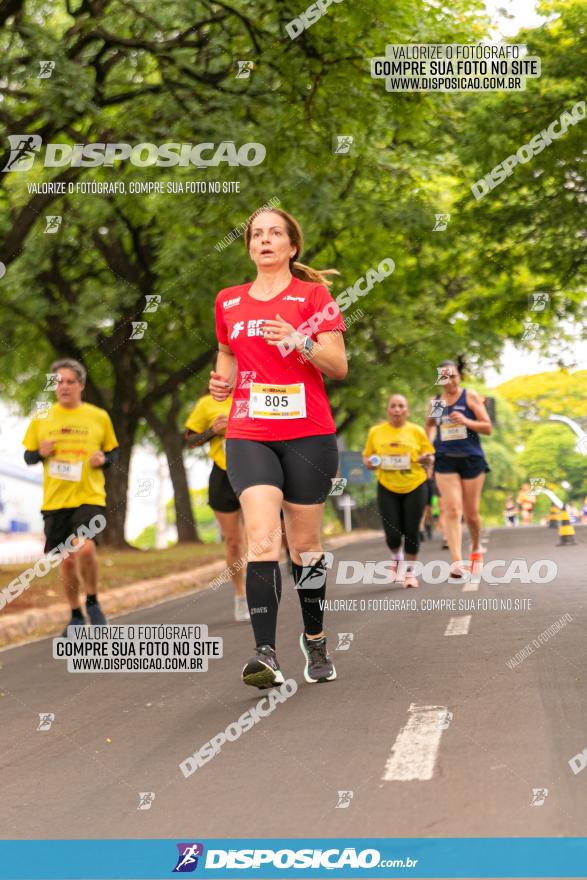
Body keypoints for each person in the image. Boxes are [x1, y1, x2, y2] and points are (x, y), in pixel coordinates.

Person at [209, 207, 347, 689]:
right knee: (262, 538)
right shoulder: (228, 302)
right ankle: (264, 653)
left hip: (308, 432)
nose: (264, 241)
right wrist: (222, 383)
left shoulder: (314, 296)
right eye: (256, 235)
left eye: (275, 234)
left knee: (306, 547)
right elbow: (227, 352)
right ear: (248, 246)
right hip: (249, 432)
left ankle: (315, 638)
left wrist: (297, 339)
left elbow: (338, 364)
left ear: (291, 246)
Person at [22, 359, 119, 633]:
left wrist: (105, 459)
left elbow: (114, 452)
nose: (64, 386)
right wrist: (40, 452)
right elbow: (28, 456)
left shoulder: (98, 416)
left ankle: (92, 601)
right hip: (55, 500)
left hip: (89, 495)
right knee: (65, 559)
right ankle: (75, 615)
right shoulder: (42, 416)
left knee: (84, 546)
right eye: (59, 382)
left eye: (70, 381)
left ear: (81, 385)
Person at [184, 393, 249, 622]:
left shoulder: (258, 391)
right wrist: (212, 431)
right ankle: (241, 595)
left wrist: (234, 428)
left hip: (254, 469)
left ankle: (261, 593)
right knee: (234, 542)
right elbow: (190, 440)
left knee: (258, 538)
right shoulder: (206, 402)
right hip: (223, 475)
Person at [426, 359, 491, 580]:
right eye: (445, 376)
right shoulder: (436, 402)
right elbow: (431, 426)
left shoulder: (470, 396)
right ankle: (456, 561)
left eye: (453, 375)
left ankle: (475, 548)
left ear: (459, 376)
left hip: (471, 458)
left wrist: (466, 421)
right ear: (439, 379)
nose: (450, 380)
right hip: (445, 459)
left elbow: (487, 427)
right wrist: (428, 450)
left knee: (472, 515)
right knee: (452, 510)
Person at [363, 394, 435, 588]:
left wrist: (426, 459)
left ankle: (410, 573)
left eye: (401, 406)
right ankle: (397, 558)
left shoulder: (416, 431)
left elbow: (429, 455)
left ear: (407, 411)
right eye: (393, 406)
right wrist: (369, 463)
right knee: (392, 534)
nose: (397, 409)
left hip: (415, 485)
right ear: (388, 410)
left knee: (412, 530)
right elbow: (368, 458)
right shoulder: (376, 432)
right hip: (387, 486)